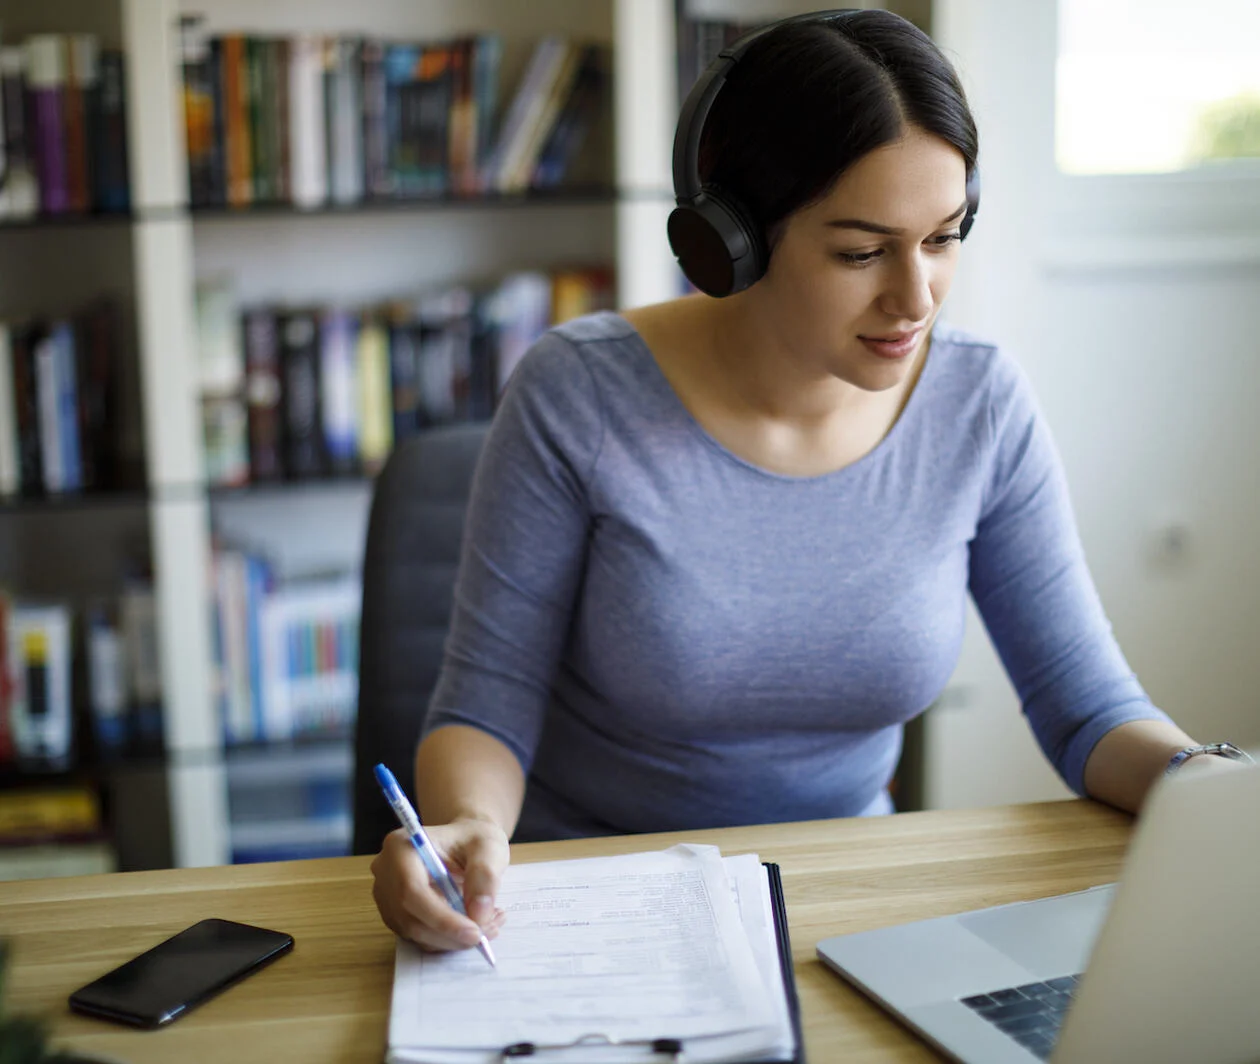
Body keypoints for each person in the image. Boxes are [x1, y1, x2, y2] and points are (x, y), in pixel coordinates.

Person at [371, 9, 1248, 956]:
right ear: (732, 238)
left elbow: (1087, 709)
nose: (916, 298)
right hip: (593, 905)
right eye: (862, 252)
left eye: (945, 237)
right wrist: (467, 823)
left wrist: (1216, 790)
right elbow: (485, 704)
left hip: (851, 908)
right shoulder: (577, 394)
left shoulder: (980, 403)